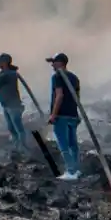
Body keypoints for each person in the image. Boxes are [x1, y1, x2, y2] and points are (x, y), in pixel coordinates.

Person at [46, 52, 82, 180]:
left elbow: (59, 95)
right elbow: (77, 97)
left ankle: (71, 171)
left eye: (54, 62)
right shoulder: (74, 77)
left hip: (61, 115)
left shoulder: (57, 76)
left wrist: (53, 115)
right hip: (72, 114)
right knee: (73, 144)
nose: (52, 65)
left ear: (60, 62)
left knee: (63, 144)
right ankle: (77, 170)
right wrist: (76, 113)